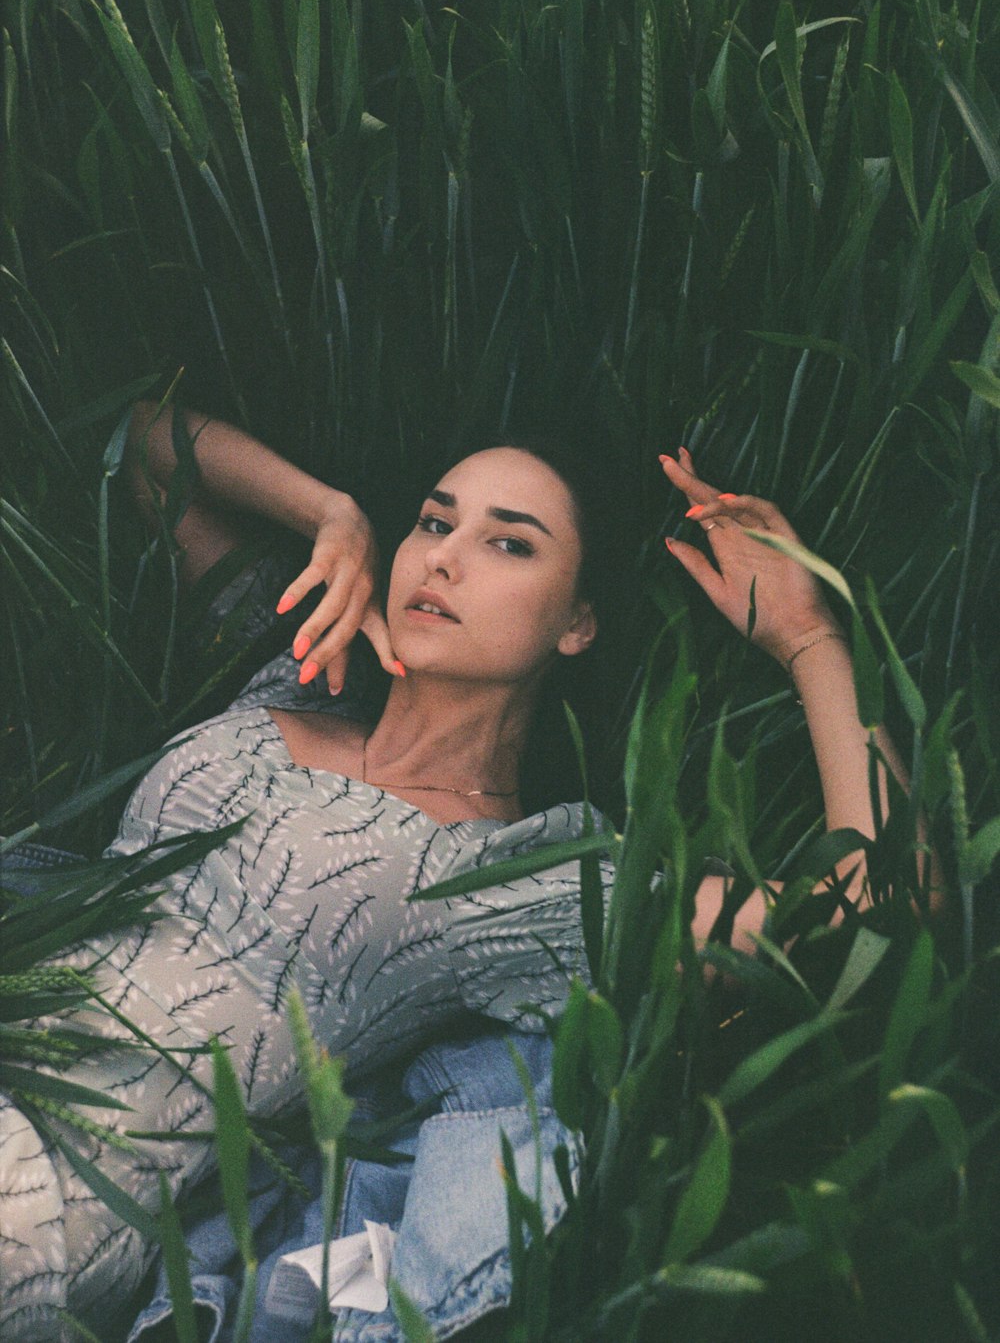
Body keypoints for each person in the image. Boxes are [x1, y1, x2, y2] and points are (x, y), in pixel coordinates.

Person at [0, 404, 914, 1341]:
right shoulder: (294, 671)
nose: (441, 557)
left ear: (578, 622)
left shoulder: (532, 877)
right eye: (434, 523)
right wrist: (334, 515)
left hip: (59, 1178)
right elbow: (148, 445)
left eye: (509, 546)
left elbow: (867, 906)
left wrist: (808, 638)